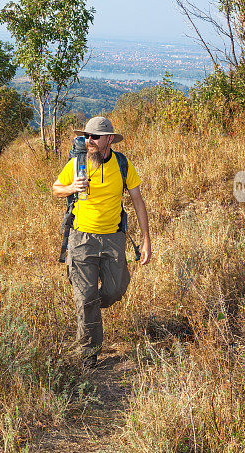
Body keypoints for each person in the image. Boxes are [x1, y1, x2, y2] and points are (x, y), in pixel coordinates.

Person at [52, 116, 151, 369]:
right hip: (81, 238)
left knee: (114, 290)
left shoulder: (123, 164)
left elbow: (138, 201)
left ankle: (91, 305)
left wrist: (146, 240)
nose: (89, 141)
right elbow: (56, 188)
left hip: (113, 238)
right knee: (85, 298)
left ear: (108, 139)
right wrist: (72, 187)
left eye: (94, 137)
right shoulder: (77, 163)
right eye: (86, 136)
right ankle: (89, 353)